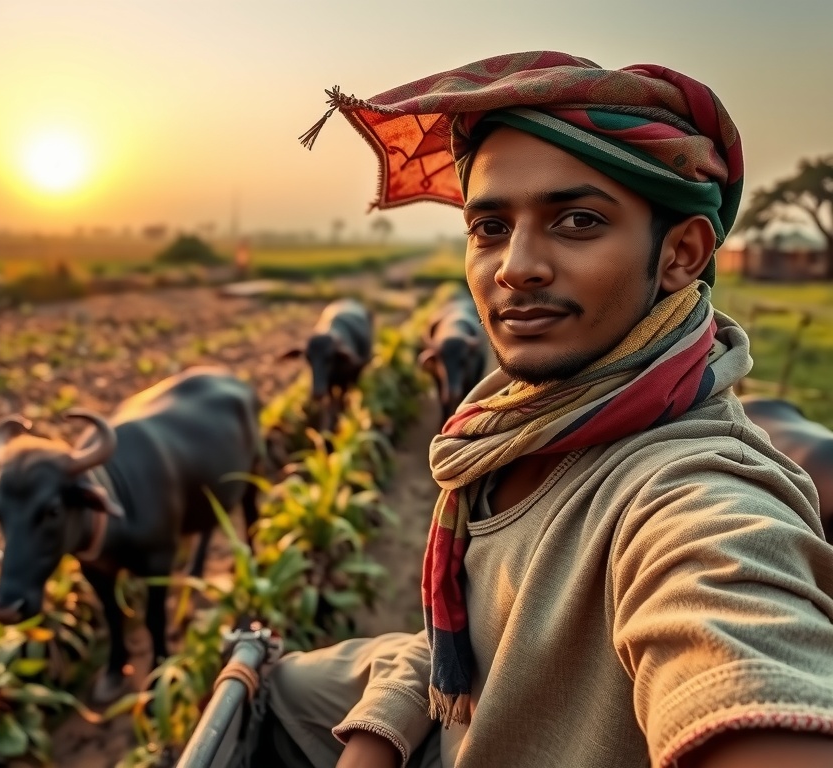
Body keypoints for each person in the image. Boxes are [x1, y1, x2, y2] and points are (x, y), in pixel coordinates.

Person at [254, 51, 833, 768]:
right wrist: (377, 738)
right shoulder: (516, 426)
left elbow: (737, 626)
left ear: (681, 254)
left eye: (578, 220)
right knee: (275, 685)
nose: (514, 267)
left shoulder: (697, 502)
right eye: (490, 228)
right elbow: (459, 645)